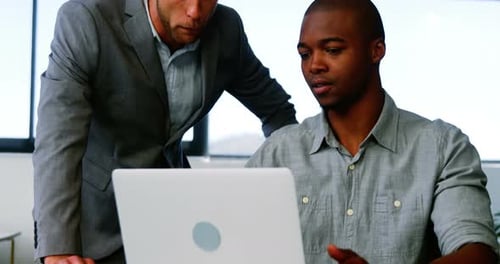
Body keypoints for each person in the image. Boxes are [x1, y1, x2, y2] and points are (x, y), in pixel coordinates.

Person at [32, 0, 298, 263]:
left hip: (177, 223)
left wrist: (293, 187)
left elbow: (277, 112)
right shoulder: (87, 19)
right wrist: (59, 250)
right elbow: (58, 139)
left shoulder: (226, 29)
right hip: (95, 227)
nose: (195, 12)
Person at [246, 0, 499, 263]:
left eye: (332, 50)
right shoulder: (277, 153)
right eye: (305, 54)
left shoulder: (443, 148)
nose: (314, 65)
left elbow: (478, 254)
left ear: (376, 50)